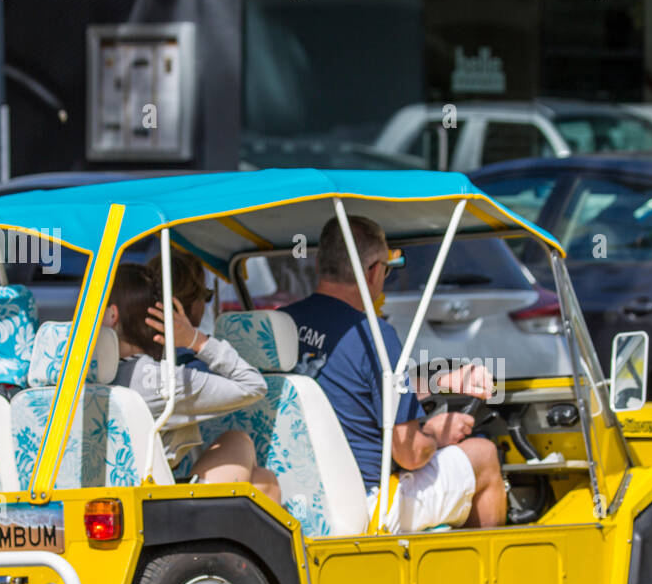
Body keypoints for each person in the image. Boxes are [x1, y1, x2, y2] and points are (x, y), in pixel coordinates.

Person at [282, 216, 506, 532]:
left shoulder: (283, 324)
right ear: (374, 272)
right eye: (387, 269)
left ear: (320, 263)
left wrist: (437, 379)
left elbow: (356, 384)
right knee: (483, 455)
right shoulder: (373, 333)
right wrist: (436, 433)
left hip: (296, 495)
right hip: (368, 503)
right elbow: (411, 454)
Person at [105, 263, 281, 503]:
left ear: (112, 315)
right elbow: (253, 385)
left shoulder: (71, 376)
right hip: (151, 504)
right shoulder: (163, 380)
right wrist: (196, 340)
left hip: (98, 495)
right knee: (243, 448)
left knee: (262, 478)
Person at [145, 247, 212, 372]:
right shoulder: (201, 368)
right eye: (206, 295)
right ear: (194, 305)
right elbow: (253, 384)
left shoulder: (130, 359)